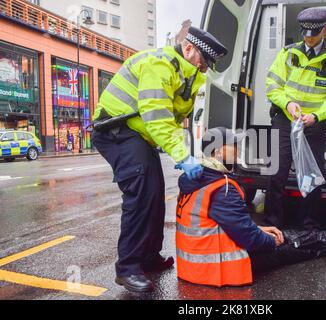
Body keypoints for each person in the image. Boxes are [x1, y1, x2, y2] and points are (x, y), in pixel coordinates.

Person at [92, 27, 228, 293]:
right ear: (188, 48)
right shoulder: (159, 64)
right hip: (116, 131)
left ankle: (149, 257)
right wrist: (181, 155)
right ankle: (128, 268)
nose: (205, 69)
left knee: (154, 195)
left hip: (139, 135)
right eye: (203, 61)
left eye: (209, 65)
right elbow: (157, 117)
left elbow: (177, 122)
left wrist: (186, 151)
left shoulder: (189, 76)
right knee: (141, 193)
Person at [175, 127, 326, 287]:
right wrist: (271, 241)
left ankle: (325, 239)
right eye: (233, 145)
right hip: (216, 268)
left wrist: (260, 229)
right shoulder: (222, 187)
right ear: (218, 152)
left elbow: (220, 224)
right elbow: (248, 237)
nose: (238, 150)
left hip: (194, 266)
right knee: (283, 245)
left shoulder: (197, 179)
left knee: (275, 235)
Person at [265, 6, 326, 229]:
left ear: (325, 30)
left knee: (313, 175)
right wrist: (288, 103)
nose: (309, 39)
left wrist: (316, 115)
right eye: (306, 34)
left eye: (314, 34)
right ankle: (273, 223)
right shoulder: (289, 53)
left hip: (313, 124)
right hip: (285, 120)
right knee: (276, 173)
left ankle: (308, 224)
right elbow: (272, 85)